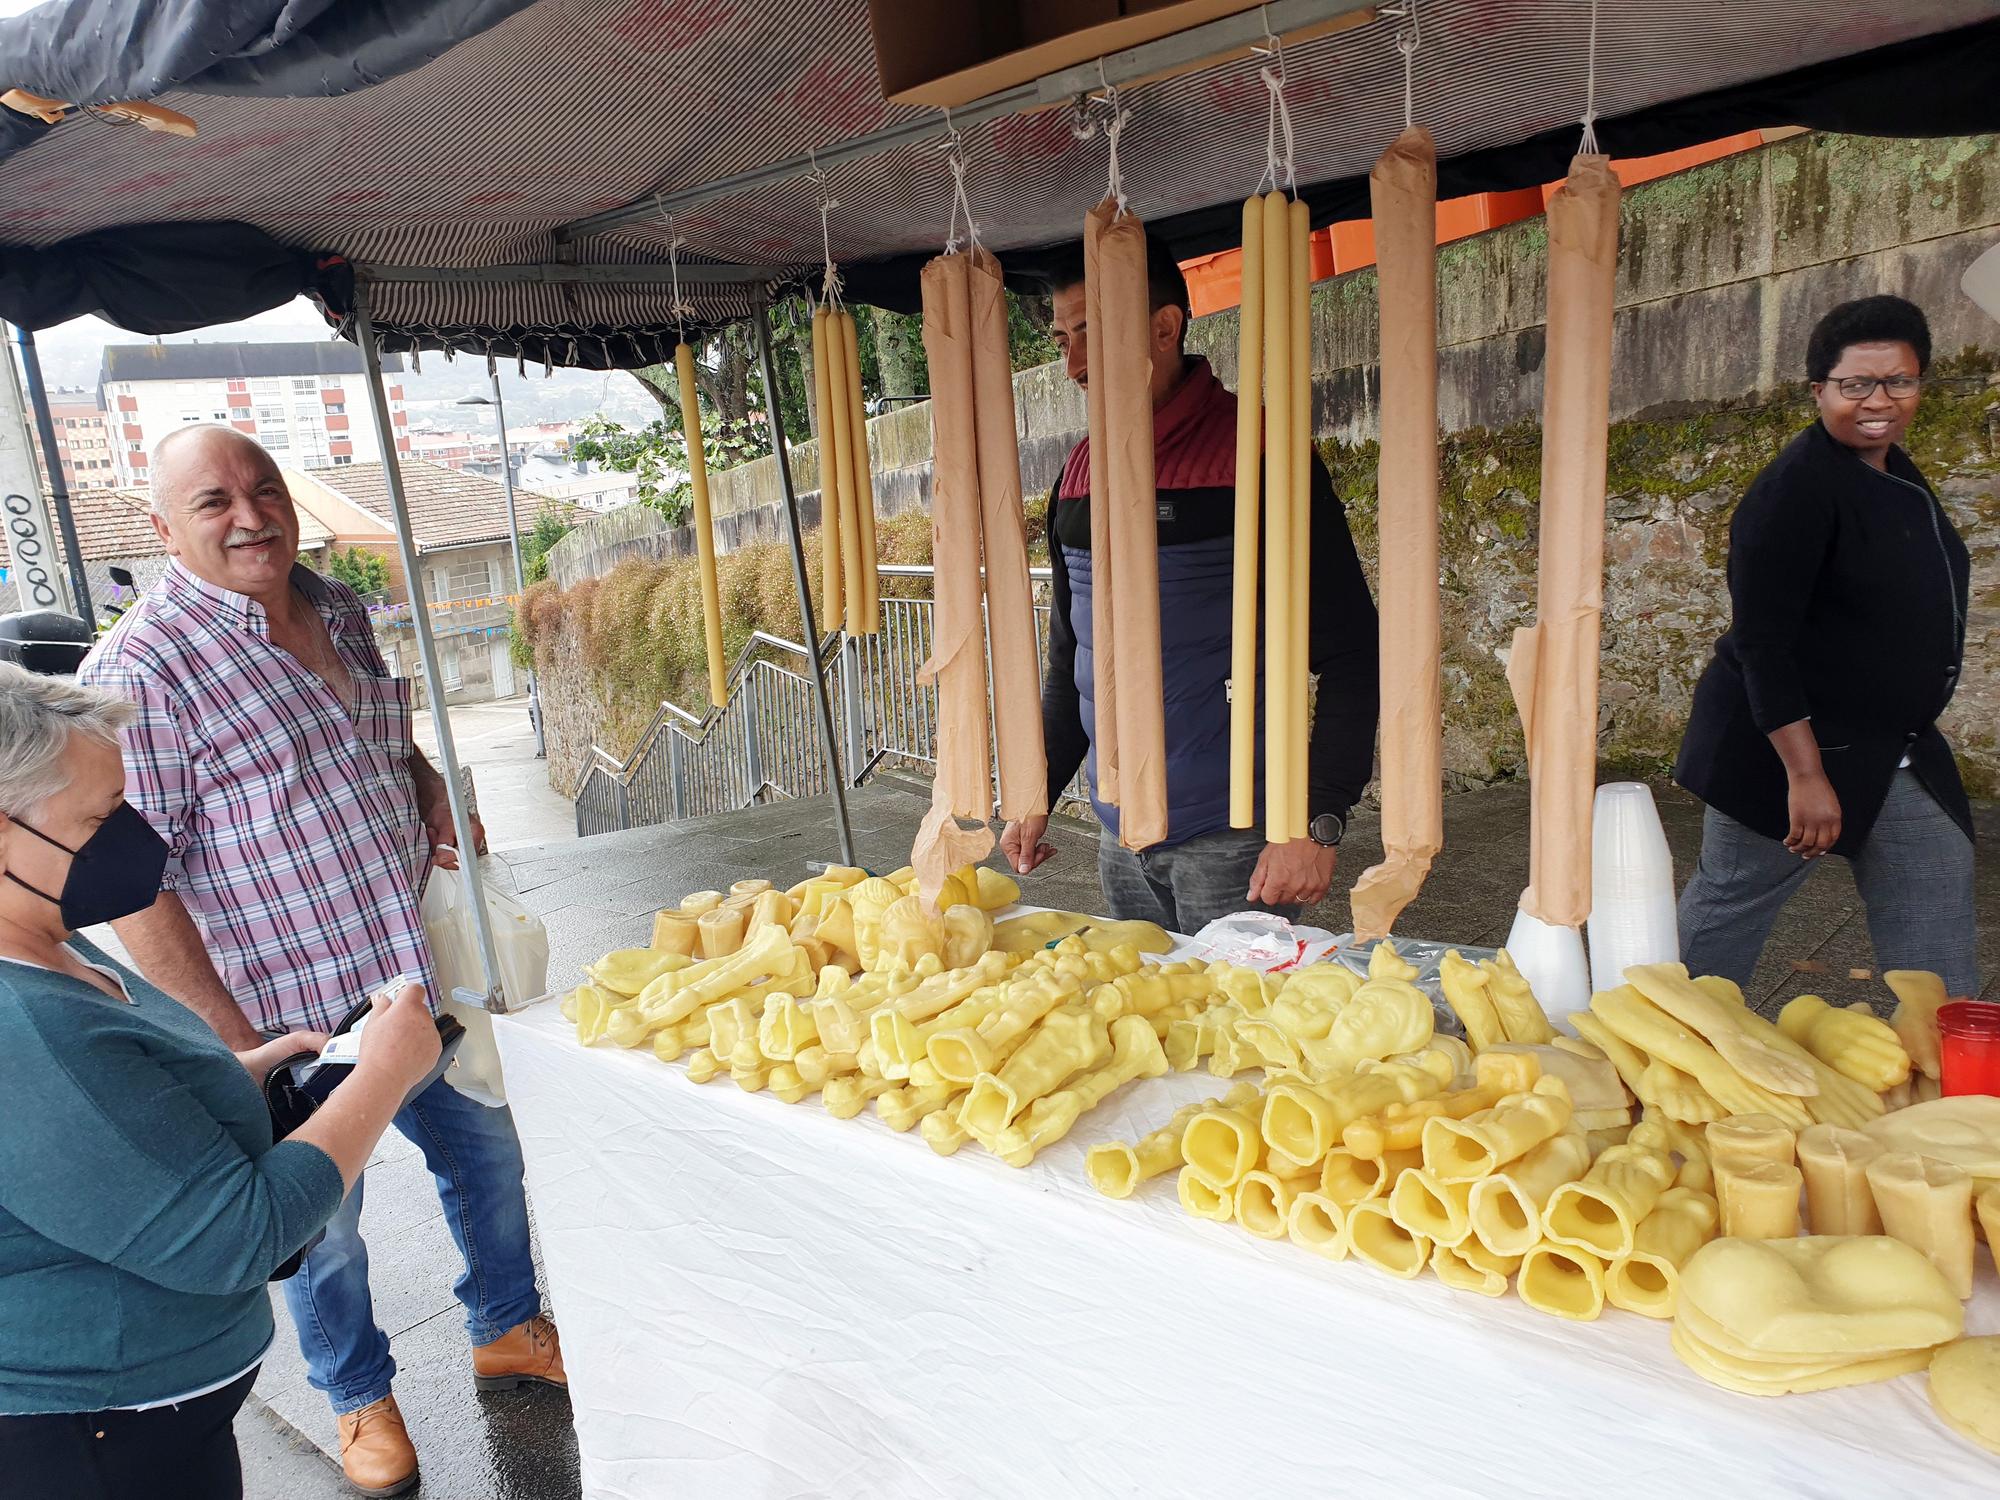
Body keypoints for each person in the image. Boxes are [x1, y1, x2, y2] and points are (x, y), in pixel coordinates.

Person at [79, 427, 562, 1498]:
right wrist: (230, 1041)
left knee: (488, 1160)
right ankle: (360, 1401)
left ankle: (506, 1326)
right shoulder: (139, 670)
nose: (249, 515)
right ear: (163, 529)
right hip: (286, 1015)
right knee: (322, 1230)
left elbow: (384, 743)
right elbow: (137, 885)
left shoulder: (334, 605)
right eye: (213, 501)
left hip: (417, 971)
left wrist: (436, 797)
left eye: (262, 489)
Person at [0, 664, 442, 1500]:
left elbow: (107, 1111)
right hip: (97, 1435)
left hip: (157, 1410)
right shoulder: (17, 1026)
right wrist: (381, 1075)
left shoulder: (42, 933)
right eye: (98, 819)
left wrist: (234, 1071)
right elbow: (237, 1237)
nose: (131, 837)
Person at [1000, 242, 1379, 934]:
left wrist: (1317, 823)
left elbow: (1353, 651)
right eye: (1062, 339)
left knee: (1248, 1037)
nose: (1074, 366)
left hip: (1239, 843)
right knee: (1158, 1033)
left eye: (1090, 332)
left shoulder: (1261, 457)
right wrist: (1038, 790)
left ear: (1165, 328)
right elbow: (1071, 661)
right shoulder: (1077, 479)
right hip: (1119, 843)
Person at [1675, 295, 1976, 993]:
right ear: (1819, 390)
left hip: (1891, 747)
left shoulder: (1892, 469)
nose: (1880, 400)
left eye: (1899, 381)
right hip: (1787, 753)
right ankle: (1649, 1055)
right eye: (1856, 384)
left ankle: (1944, 1078)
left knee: (1936, 888)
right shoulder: (1794, 492)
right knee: (1727, 914)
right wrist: (1805, 777)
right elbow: (1763, 645)